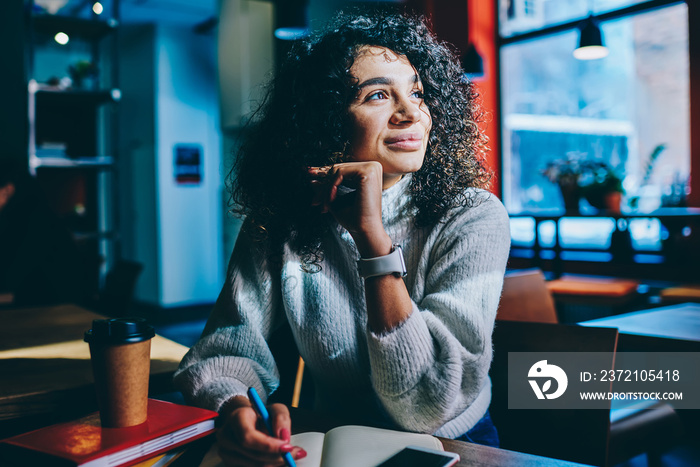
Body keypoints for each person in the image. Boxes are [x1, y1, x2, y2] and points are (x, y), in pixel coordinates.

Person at [174, 11, 510, 466]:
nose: (411, 112)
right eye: (377, 95)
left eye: (416, 92)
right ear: (325, 119)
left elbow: (427, 407)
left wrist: (373, 242)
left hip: (457, 446)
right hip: (331, 441)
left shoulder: (474, 215)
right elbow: (227, 349)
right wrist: (233, 408)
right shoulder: (281, 221)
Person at [0, 160, 90, 307]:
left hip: (54, 312)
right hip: (54, 307)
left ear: (7, 191)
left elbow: (13, 287)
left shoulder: (27, 225)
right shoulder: (35, 217)